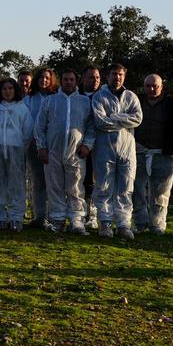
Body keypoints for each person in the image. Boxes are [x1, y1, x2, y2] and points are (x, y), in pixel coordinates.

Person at [35, 69, 95, 234]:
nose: (68, 82)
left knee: (75, 187)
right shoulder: (50, 101)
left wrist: (87, 145)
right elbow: (40, 126)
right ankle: (58, 219)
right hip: (52, 152)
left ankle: (77, 220)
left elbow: (91, 126)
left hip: (76, 153)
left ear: (76, 81)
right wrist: (41, 147)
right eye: (65, 79)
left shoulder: (84, 101)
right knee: (54, 187)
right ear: (60, 81)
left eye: (71, 79)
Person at [91, 64, 143, 240]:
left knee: (126, 188)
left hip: (127, 150)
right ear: (108, 76)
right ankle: (105, 222)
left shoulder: (131, 96)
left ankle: (123, 224)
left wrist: (114, 117)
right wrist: (124, 120)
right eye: (114, 74)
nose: (117, 78)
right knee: (104, 186)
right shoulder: (99, 96)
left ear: (124, 76)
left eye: (120, 74)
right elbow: (100, 122)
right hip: (105, 149)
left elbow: (137, 119)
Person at [132, 74, 173, 235]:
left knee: (160, 191)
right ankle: (140, 222)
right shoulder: (136, 101)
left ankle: (157, 224)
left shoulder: (172, 103)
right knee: (137, 189)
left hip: (163, 153)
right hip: (139, 151)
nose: (151, 89)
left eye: (155, 86)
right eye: (148, 86)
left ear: (162, 86)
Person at [0, 78, 34, 230]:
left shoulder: (22, 108)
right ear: (0, 91)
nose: (7, 92)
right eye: (4, 89)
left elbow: (28, 131)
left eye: (10, 89)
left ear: (16, 90)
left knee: (16, 184)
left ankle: (15, 216)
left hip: (16, 150)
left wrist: (21, 147)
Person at [24, 67, 57, 228]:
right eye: (41, 78)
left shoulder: (56, 97)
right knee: (38, 181)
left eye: (47, 78)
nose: (44, 80)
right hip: (34, 145)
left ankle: (54, 216)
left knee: (53, 181)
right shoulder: (29, 98)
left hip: (54, 145)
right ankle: (39, 215)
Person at [80, 65, 102, 229]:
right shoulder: (76, 97)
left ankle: (93, 215)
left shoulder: (103, 96)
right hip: (78, 146)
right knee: (79, 181)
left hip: (100, 146)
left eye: (97, 77)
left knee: (94, 182)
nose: (94, 80)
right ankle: (80, 214)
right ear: (83, 79)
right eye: (90, 77)